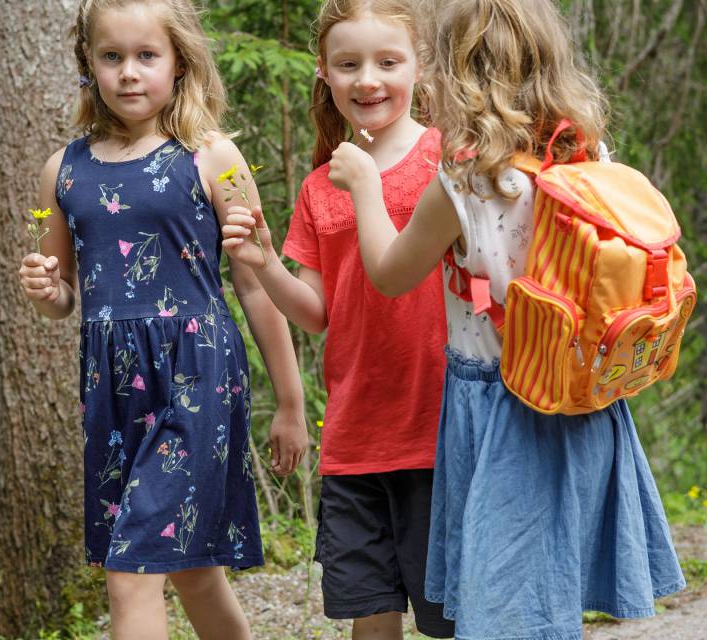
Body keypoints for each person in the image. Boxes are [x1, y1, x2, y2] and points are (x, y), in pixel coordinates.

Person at [326, 1, 687, 638]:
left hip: (499, 404)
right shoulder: (588, 153)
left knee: (507, 598)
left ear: (453, 74)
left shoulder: (465, 180)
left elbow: (389, 273)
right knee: (552, 586)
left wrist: (362, 187)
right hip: (585, 401)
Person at [17, 1, 308, 638]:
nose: (128, 73)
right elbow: (64, 294)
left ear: (179, 63)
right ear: (88, 65)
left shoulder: (212, 157)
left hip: (196, 379)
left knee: (131, 570)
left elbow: (255, 288)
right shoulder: (63, 171)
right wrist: (46, 294)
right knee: (191, 570)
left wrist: (290, 403)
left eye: (146, 56)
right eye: (111, 57)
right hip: (113, 390)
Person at [220, 1, 454, 638]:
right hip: (354, 439)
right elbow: (317, 313)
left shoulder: (447, 158)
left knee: (453, 617)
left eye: (387, 62)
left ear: (421, 65)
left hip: (444, 428)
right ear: (324, 71)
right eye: (348, 64)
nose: (368, 80)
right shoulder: (321, 186)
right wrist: (265, 260)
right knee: (369, 612)